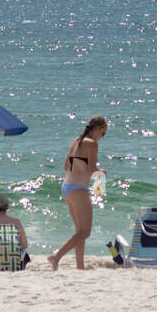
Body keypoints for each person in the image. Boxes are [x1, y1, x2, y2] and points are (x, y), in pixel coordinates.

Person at [47, 116, 107, 270]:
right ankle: (56, 256)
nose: (102, 136)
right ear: (98, 129)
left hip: (67, 186)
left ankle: (80, 266)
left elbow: (66, 165)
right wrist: (102, 173)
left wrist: (82, 167)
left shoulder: (76, 140)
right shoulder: (92, 144)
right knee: (85, 231)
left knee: (80, 231)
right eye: (103, 133)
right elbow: (92, 170)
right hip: (78, 189)